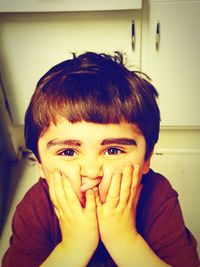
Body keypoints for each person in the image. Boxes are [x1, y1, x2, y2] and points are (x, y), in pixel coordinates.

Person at [2, 52, 199, 267]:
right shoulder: (35, 209)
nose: (92, 172)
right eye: (68, 152)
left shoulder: (157, 197)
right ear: (40, 164)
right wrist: (74, 247)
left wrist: (125, 240)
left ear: (146, 159)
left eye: (113, 150)